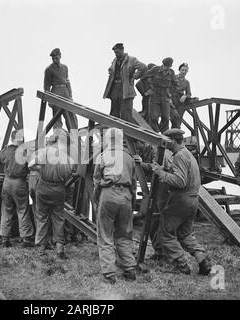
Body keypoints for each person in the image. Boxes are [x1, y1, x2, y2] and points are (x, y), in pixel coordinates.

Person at [151, 129, 211, 275]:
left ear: (172, 141)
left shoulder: (178, 156)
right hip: (193, 200)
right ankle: (202, 259)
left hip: (181, 200)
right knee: (185, 234)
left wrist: (161, 173)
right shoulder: (188, 154)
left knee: (166, 233)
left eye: (166, 141)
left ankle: (181, 264)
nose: (165, 144)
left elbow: (180, 181)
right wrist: (165, 170)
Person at [93, 128, 138, 284]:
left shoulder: (102, 156)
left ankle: (109, 273)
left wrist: (97, 199)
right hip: (125, 195)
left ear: (107, 140)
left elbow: (97, 180)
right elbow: (134, 184)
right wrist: (131, 202)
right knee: (125, 234)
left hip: (108, 194)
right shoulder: (129, 158)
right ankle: (130, 269)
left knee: (105, 235)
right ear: (120, 139)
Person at [29, 131, 75, 259]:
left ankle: (41, 248)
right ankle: (60, 248)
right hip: (59, 190)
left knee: (42, 217)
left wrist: (40, 169)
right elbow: (70, 174)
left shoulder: (46, 152)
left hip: (44, 188)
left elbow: (30, 165)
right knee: (59, 218)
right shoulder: (69, 158)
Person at [0, 130, 34, 248]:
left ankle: (5, 238)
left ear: (11, 138)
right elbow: (31, 164)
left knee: (6, 210)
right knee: (22, 209)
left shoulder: (4, 151)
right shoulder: (24, 152)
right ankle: (26, 239)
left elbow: (1, 158)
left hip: (6, 182)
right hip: (19, 183)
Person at [103, 43, 147, 124]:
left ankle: (128, 133)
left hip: (126, 88)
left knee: (126, 113)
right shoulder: (115, 61)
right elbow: (112, 70)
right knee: (114, 112)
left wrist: (134, 76)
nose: (116, 54)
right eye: (115, 52)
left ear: (122, 50)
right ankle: (114, 130)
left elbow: (143, 67)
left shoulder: (131, 60)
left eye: (118, 52)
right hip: (115, 88)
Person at [141, 57, 178, 133]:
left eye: (168, 66)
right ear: (162, 64)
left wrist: (170, 92)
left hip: (165, 96)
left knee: (166, 117)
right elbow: (143, 77)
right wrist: (148, 89)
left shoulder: (171, 72)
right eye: (165, 66)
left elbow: (176, 84)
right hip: (155, 95)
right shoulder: (155, 69)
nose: (166, 68)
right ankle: (155, 133)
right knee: (153, 117)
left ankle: (164, 134)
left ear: (170, 66)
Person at [44, 48, 78, 130]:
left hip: (65, 91)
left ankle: (74, 132)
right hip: (56, 92)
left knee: (71, 113)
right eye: (53, 58)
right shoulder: (49, 69)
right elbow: (46, 86)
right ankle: (58, 134)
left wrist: (70, 94)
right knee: (57, 114)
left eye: (56, 58)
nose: (55, 60)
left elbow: (67, 81)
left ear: (60, 56)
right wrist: (49, 99)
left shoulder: (65, 67)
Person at [170, 63, 192, 129]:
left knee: (179, 117)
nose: (184, 72)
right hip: (172, 98)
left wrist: (185, 96)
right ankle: (173, 132)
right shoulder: (174, 78)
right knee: (174, 116)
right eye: (182, 70)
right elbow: (168, 88)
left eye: (185, 70)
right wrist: (169, 99)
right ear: (179, 70)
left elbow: (189, 94)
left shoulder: (187, 82)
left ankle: (176, 132)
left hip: (180, 101)